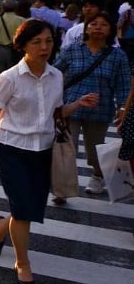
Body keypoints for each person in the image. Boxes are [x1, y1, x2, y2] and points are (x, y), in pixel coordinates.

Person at [0, 19, 98, 284]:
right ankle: (22, 263)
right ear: (23, 46)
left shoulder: (56, 76)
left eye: (48, 41)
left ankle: (2, 227)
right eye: (36, 42)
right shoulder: (8, 78)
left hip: (43, 149)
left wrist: (78, 104)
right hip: (11, 149)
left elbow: (55, 112)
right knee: (24, 210)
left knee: (27, 208)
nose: (44, 47)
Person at [54, 12, 131, 196]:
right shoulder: (72, 50)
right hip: (70, 108)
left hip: (100, 110)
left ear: (111, 30)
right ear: (86, 28)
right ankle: (62, 188)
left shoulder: (117, 55)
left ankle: (97, 176)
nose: (98, 27)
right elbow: (55, 73)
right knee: (66, 148)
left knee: (95, 150)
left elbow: (124, 85)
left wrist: (123, 108)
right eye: (94, 24)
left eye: (104, 24)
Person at [0, 0, 26, 80]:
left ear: (3, 8)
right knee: (15, 76)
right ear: (16, 8)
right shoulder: (22, 21)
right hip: (15, 51)